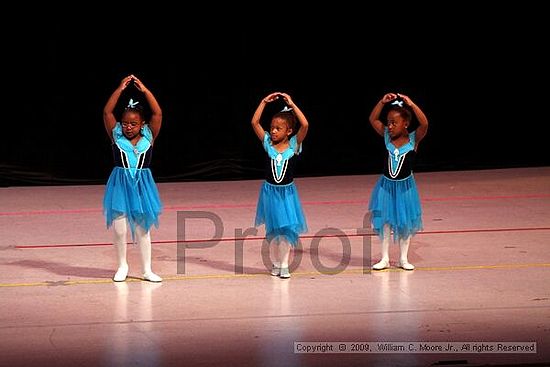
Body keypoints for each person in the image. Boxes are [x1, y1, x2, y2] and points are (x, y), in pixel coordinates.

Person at [103, 74, 163, 282]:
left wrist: (145, 91)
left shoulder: (149, 136)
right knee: (120, 230)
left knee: (142, 230)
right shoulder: (116, 135)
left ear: (142, 123)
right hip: (120, 186)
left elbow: (158, 112)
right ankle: (122, 266)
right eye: (125, 123)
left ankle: (146, 269)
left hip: (142, 188)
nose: (128, 127)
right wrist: (120, 89)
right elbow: (107, 111)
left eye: (133, 124)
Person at [368, 92, 428, 270]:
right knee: (385, 221)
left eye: (394, 123)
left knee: (404, 222)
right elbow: (373, 119)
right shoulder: (387, 136)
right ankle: (385, 258)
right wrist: (381, 102)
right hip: (386, 187)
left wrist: (411, 104)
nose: (390, 126)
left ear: (406, 124)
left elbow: (424, 123)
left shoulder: (413, 139)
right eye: (389, 122)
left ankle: (403, 258)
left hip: (406, 188)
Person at [251, 92, 309, 279]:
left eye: (278, 128)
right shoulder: (268, 144)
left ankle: (284, 265)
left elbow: (305, 124)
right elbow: (254, 123)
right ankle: (276, 263)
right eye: (272, 128)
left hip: (287, 195)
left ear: (289, 131)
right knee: (274, 231)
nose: (273, 131)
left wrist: (292, 103)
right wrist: (263, 102)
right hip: (269, 193)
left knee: (285, 231)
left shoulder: (294, 145)